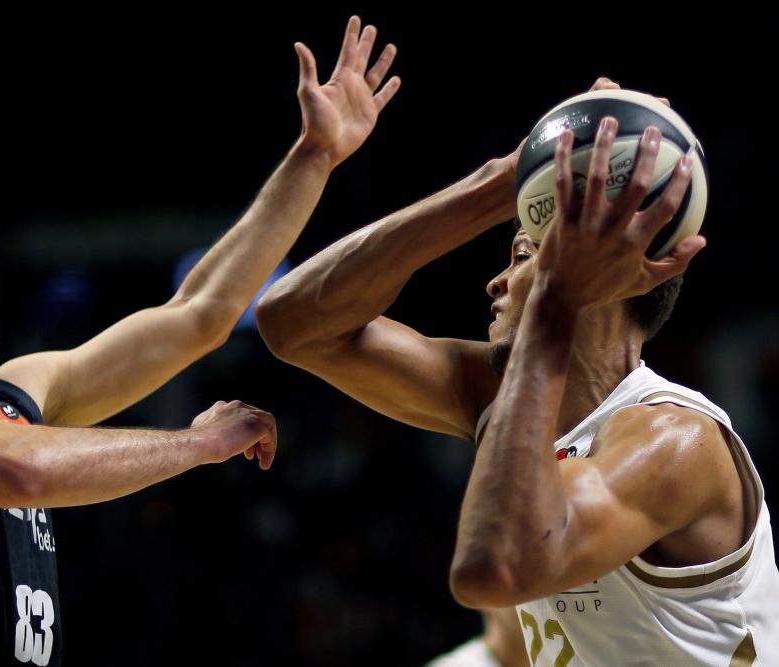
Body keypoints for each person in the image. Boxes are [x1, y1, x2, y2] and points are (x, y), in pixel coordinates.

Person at [0, 16, 400, 666]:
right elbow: (16, 468)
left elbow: (199, 313)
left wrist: (314, 157)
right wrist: (199, 444)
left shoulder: (13, 394)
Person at [256, 78, 779, 665]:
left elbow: (496, 568)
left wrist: (555, 302)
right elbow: (292, 322)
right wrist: (507, 179)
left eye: (525, 255)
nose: (494, 282)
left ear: (599, 284)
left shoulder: (676, 441)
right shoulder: (495, 392)